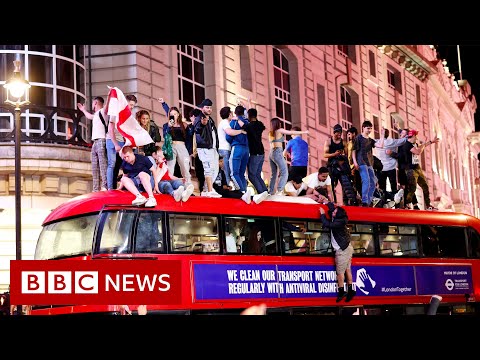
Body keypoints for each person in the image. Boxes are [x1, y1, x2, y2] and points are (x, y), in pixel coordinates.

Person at [319, 202, 355, 303]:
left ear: (338, 214)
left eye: (335, 211)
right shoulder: (337, 216)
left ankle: (341, 291)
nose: (333, 211)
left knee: (340, 272)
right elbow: (331, 208)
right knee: (347, 269)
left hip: (342, 249)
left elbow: (327, 224)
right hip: (346, 247)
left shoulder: (339, 222)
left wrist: (322, 214)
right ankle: (351, 290)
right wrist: (324, 201)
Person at [269, 117, 309, 195]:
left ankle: (280, 193)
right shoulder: (305, 143)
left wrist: (285, 156)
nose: (291, 135)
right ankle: (301, 198)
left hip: (295, 165)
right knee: (300, 183)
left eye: (292, 133)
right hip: (304, 167)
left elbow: (284, 153)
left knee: (287, 180)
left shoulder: (291, 141)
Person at [77, 96, 108, 192]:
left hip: (101, 140)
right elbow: (89, 116)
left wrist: (111, 94)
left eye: (93, 103)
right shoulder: (96, 115)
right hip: (95, 142)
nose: (92, 106)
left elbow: (107, 106)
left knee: (102, 164)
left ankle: (105, 186)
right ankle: (95, 188)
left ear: (95, 103)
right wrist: (83, 110)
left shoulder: (103, 111)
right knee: (94, 166)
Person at [404, 129, 440, 210]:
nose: (416, 138)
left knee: (425, 185)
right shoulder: (407, 145)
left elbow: (420, 146)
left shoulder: (414, 144)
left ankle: (428, 205)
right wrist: (423, 145)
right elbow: (418, 152)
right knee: (412, 187)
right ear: (413, 136)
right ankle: (407, 204)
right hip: (410, 169)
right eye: (415, 137)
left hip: (417, 167)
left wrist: (430, 142)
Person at [106, 94, 136, 189]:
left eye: (133, 105)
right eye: (130, 104)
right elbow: (110, 129)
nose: (131, 107)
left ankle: (119, 186)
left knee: (120, 165)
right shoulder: (115, 111)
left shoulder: (128, 115)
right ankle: (110, 188)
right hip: (112, 140)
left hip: (122, 142)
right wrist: (115, 144)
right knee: (112, 163)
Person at [324, 124, 346, 202]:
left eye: (340, 132)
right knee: (331, 185)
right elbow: (325, 155)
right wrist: (334, 154)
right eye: (338, 132)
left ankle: (346, 202)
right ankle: (334, 202)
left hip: (340, 166)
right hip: (331, 166)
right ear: (334, 132)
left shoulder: (343, 142)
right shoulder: (329, 141)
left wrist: (342, 156)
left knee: (345, 184)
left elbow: (346, 155)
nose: (339, 134)